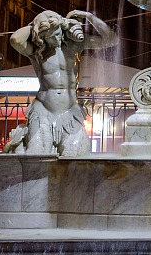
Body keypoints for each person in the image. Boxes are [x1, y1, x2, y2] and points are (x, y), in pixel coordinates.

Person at [7, 9, 118, 156]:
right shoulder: (37, 52)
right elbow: (15, 40)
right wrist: (37, 23)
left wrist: (89, 16)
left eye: (58, 33)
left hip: (70, 111)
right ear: (42, 37)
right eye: (52, 36)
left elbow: (111, 39)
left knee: (74, 155)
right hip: (43, 111)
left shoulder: (74, 46)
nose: (57, 38)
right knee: (36, 154)